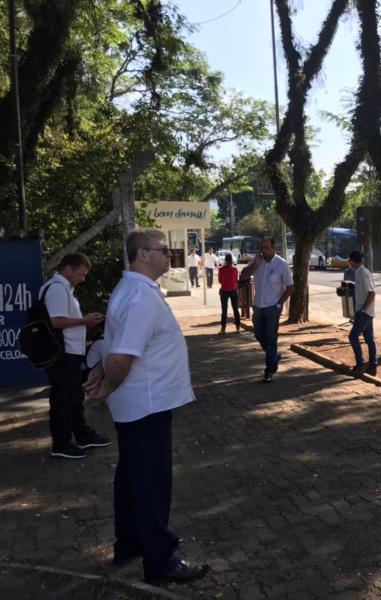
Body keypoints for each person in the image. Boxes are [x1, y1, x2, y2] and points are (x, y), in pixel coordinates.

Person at [84, 228, 209, 585]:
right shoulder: (140, 298)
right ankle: (161, 560)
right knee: (152, 483)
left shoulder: (131, 291)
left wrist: (98, 367)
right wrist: (107, 382)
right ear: (141, 254)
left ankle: (131, 543)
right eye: (162, 249)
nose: (169, 255)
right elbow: (122, 356)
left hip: (138, 405)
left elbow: (112, 343)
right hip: (147, 406)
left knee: (132, 478)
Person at [41, 252, 109, 459]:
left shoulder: (63, 289)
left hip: (69, 352)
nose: (83, 278)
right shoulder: (57, 289)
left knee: (73, 397)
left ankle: (82, 435)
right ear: (68, 269)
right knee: (63, 398)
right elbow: (56, 321)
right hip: (63, 353)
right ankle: (61, 443)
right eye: (81, 274)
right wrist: (85, 321)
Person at [240, 236, 294, 383]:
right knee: (258, 334)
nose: (263, 251)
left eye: (266, 248)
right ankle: (274, 356)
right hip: (258, 306)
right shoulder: (258, 262)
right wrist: (256, 263)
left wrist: (279, 304)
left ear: (274, 248)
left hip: (272, 307)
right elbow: (243, 276)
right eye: (262, 248)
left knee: (271, 338)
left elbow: (290, 286)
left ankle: (269, 370)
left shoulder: (281, 264)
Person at [347, 250, 377, 376]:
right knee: (369, 339)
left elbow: (372, 293)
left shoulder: (363, 273)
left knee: (353, 336)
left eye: (349, 260)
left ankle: (361, 364)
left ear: (353, 261)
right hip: (363, 312)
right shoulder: (358, 273)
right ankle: (372, 366)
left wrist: (363, 310)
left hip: (364, 313)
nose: (348, 263)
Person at [217, 253, 241, 334]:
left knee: (224, 310)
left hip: (224, 290)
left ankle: (223, 329)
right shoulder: (235, 269)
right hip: (233, 290)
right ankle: (238, 328)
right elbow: (236, 280)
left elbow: (220, 281)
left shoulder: (221, 269)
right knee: (235, 310)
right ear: (231, 260)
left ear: (225, 260)